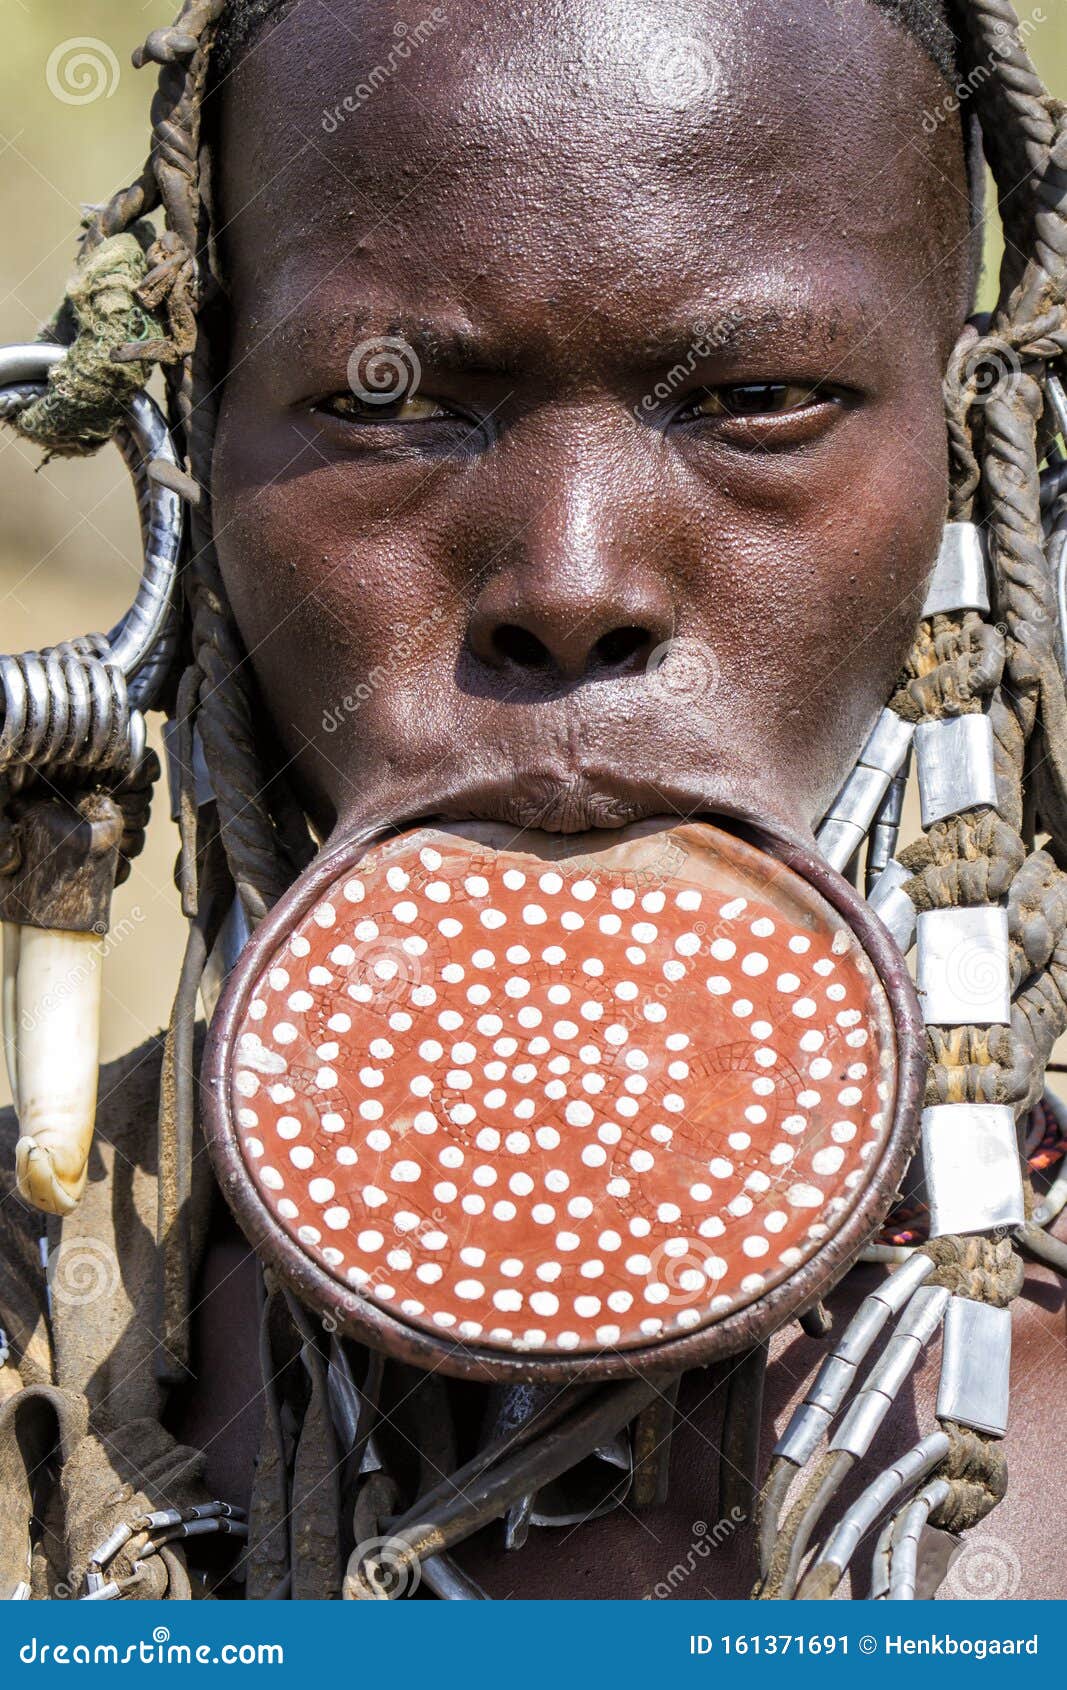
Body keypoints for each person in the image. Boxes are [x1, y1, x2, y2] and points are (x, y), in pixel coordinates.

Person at [1, 0, 1066, 1601]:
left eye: (755, 397)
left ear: (986, 450)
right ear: (185, 449)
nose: (571, 585)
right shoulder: (41, 1335)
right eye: (385, 403)